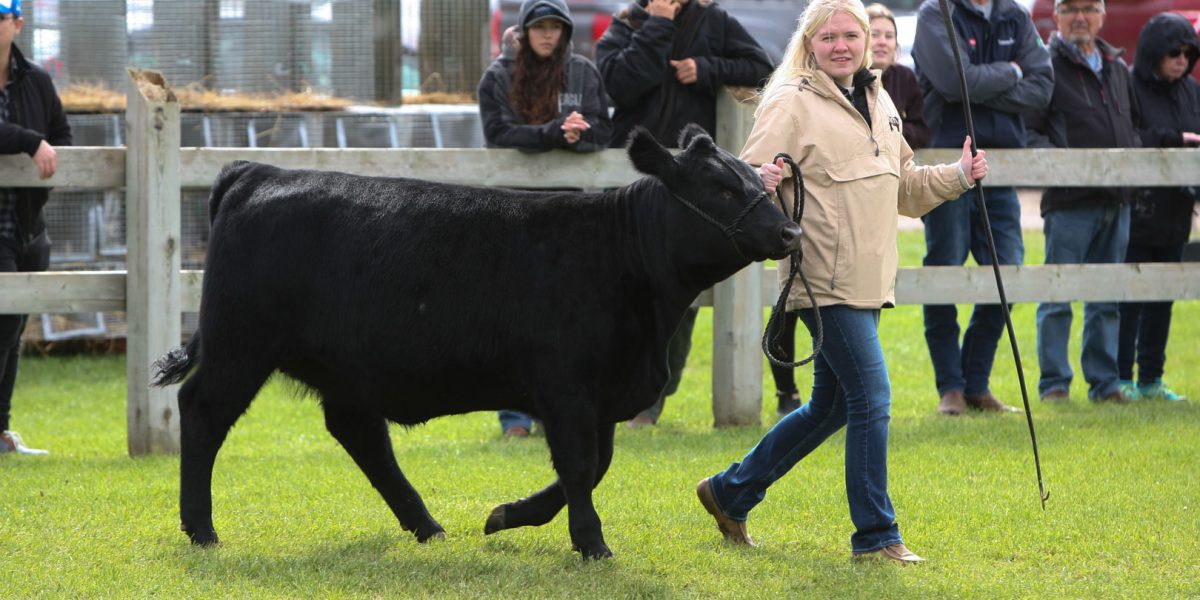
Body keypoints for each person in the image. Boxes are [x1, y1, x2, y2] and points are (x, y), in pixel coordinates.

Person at [695, 0, 988, 563]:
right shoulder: (790, 101)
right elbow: (742, 182)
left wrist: (956, 175)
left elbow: (902, 184)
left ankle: (730, 491)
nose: (841, 46)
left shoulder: (878, 99)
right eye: (827, 37)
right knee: (873, 397)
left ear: (867, 41)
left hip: (870, 276)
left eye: (850, 36)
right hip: (822, 277)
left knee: (830, 407)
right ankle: (876, 537)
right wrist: (761, 179)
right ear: (809, 44)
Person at [595, 0, 773, 427]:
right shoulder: (626, 25)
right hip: (630, 178)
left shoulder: (714, 21)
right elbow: (619, 84)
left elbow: (760, 67)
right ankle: (623, 393)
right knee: (621, 290)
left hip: (688, 187)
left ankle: (654, 393)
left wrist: (706, 68)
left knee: (681, 293)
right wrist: (658, 24)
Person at [477, 0, 613, 436]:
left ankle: (561, 410)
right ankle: (513, 417)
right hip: (511, 212)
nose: (548, 34)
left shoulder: (583, 72)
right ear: (525, 30)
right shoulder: (498, 76)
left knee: (567, 316)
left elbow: (605, 132)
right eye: (540, 27)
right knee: (510, 313)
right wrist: (550, 133)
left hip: (569, 211)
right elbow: (497, 133)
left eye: (556, 27)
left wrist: (577, 136)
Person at [912, 0, 1053, 416]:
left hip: (1002, 167)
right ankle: (950, 388)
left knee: (1008, 273)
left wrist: (980, 85)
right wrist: (1011, 72)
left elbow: (1042, 87)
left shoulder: (1016, 15)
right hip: (949, 167)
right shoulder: (935, 13)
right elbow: (956, 83)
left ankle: (975, 383)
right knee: (945, 269)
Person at [1024, 0, 1139, 405]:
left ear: (1102, 16)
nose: (1079, 17)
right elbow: (1029, 131)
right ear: (1055, 16)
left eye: (1089, 7)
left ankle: (1105, 383)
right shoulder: (1045, 66)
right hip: (1070, 202)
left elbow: (1133, 127)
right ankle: (1054, 384)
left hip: (1118, 201)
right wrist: (1061, 167)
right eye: (1069, 7)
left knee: (1106, 297)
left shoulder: (1117, 67)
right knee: (1057, 295)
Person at [0, 0, 70, 456]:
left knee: (14, 332)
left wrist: (47, 154)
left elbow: (63, 138)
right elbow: (36, 139)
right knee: (3, 326)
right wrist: (29, 141)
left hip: (29, 228)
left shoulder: (38, 82)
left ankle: (1, 432)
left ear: (17, 24)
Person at [1118, 12, 1199, 402]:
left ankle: (1151, 377)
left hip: (1177, 210)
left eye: (1187, 53)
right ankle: (1121, 377)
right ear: (1154, 53)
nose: (1181, 60)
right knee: (1130, 295)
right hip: (1138, 208)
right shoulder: (1130, 85)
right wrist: (1175, 139)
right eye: (1173, 52)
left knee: (1162, 297)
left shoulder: (1191, 91)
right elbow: (1129, 136)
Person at [866, 3, 930, 149]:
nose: (882, 42)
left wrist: (891, 133)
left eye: (889, 36)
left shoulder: (905, 77)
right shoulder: (849, 77)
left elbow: (922, 131)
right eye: (874, 35)